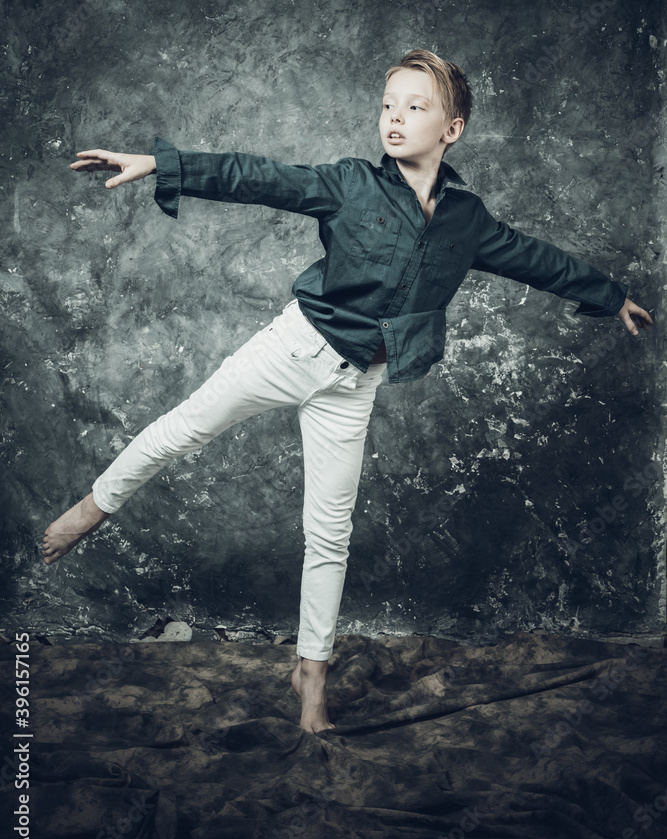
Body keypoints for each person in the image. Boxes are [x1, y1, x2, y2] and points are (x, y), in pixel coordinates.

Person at [42, 49, 653, 733]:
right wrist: (159, 163)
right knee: (184, 428)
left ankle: (312, 675)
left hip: (353, 385)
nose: (394, 118)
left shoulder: (466, 221)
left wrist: (611, 295)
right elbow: (259, 177)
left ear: (451, 128)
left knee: (329, 535)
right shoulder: (350, 184)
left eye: (415, 107)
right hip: (292, 348)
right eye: (388, 104)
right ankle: (95, 506)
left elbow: (534, 258)